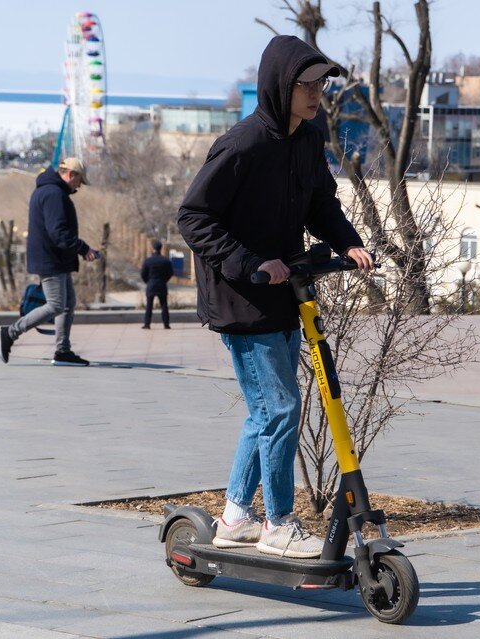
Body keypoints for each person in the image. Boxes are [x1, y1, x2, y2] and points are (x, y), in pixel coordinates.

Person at [177, 35, 374, 559]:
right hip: (242, 294)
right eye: (306, 84)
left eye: (320, 84)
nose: (315, 94)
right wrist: (248, 263)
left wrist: (348, 242)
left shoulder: (308, 139)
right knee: (282, 407)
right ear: (280, 85)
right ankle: (279, 523)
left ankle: (237, 516)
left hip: (285, 290)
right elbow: (193, 217)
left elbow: (320, 204)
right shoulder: (242, 145)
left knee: (266, 412)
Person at [0, 157, 100, 367]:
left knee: (68, 304)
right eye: (80, 180)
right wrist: (83, 248)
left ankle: (62, 351)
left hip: (56, 258)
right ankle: (10, 333)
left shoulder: (50, 191)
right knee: (55, 305)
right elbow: (58, 232)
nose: (80, 186)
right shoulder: (54, 194)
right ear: (70, 174)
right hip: (51, 258)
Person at [140, 239, 174, 329]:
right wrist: (164, 280)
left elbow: (143, 274)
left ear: (152, 248)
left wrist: (148, 281)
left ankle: (147, 324)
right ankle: (166, 324)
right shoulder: (165, 261)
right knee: (164, 305)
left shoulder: (148, 261)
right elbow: (170, 273)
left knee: (149, 306)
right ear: (160, 248)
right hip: (162, 285)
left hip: (151, 285)